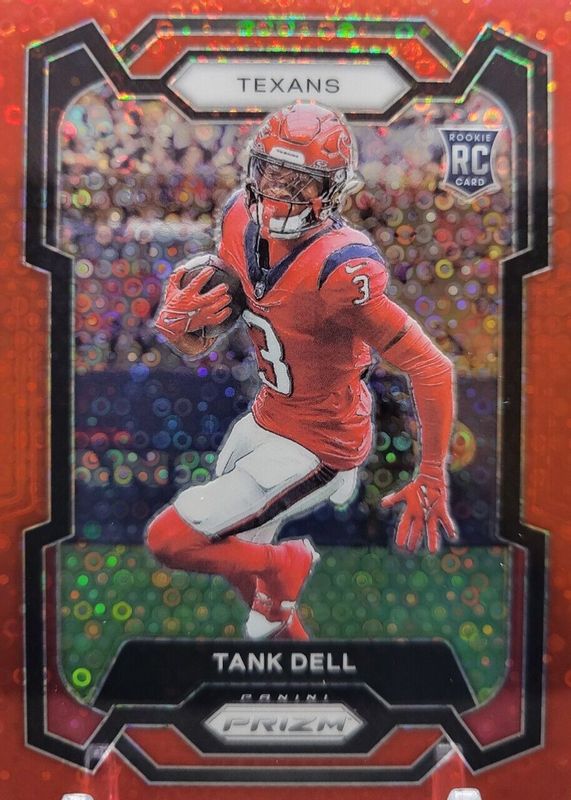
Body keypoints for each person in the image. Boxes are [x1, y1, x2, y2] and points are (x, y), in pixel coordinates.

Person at [146, 102, 457, 640]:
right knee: (243, 562)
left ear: (330, 190)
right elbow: (230, 325)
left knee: (172, 540)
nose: (278, 190)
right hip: (267, 417)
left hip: (320, 442)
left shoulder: (342, 268)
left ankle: (285, 565)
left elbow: (431, 365)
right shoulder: (238, 219)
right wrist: (185, 332)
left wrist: (430, 472)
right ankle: (297, 652)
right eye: (271, 172)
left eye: (298, 180)